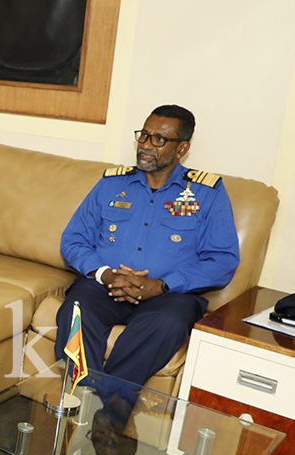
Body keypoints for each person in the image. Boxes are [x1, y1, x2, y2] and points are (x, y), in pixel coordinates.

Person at [56, 104, 239, 385]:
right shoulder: (111, 183)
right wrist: (105, 274)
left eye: (159, 139)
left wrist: (163, 284)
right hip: (106, 287)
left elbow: (223, 260)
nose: (145, 145)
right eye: (144, 135)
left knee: (167, 324)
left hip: (169, 297)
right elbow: (74, 239)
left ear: (182, 148)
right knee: (75, 310)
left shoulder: (206, 192)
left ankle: (105, 416)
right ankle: (80, 401)